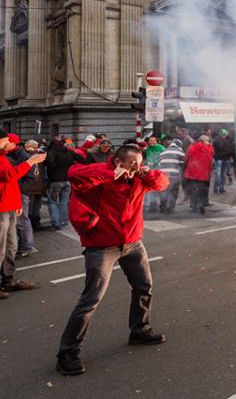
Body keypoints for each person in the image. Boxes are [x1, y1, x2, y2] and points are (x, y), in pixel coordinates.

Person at [56, 143, 168, 376]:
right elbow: (75, 175)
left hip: (133, 242)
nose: (137, 167)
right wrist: (111, 175)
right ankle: (67, 352)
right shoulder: (101, 174)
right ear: (118, 162)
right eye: (133, 163)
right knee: (91, 299)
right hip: (102, 246)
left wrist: (147, 172)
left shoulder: (138, 178)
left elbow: (161, 183)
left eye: (139, 163)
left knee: (144, 286)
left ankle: (139, 329)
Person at [0, 128, 46, 301]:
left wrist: (17, 204)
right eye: (5, 140)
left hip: (8, 207)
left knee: (10, 248)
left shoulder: (0, 157)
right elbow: (6, 177)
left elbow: (12, 183)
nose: (9, 143)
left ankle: (7, 279)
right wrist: (30, 162)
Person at [7, 135, 39, 258]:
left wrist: (20, 191)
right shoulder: (13, 155)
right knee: (17, 221)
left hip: (20, 192)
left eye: (7, 142)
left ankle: (26, 246)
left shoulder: (23, 156)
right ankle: (22, 245)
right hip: (16, 191)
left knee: (21, 220)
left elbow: (30, 177)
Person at [45, 136, 79, 230]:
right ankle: (63, 221)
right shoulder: (69, 151)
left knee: (53, 202)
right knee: (64, 201)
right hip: (67, 180)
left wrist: (52, 170)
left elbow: (51, 164)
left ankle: (56, 223)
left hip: (55, 180)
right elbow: (81, 159)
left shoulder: (51, 152)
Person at [183, 135, 214, 214]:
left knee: (194, 189)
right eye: (208, 141)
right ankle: (201, 204)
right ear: (203, 141)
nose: (209, 142)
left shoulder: (192, 147)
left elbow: (186, 158)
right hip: (203, 174)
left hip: (192, 173)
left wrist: (184, 168)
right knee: (202, 190)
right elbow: (212, 155)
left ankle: (194, 205)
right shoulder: (208, 148)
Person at [158, 138, 185, 213]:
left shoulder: (163, 151)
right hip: (173, 176)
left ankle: (163, 207)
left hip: (163, 175)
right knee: (173, 192)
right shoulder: (180, 152)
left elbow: (159, 164)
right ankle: (170, 208)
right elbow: (182, 164)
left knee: (164, 191)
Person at [143, 135, 164, 212]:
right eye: (150, 140)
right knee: (150, 188)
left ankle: (161, 205)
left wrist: (155, 162)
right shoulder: (146, 149)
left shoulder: (161, 148)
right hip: (149, 170)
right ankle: (152, 205)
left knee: (157, 188)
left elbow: (163, 157)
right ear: (148, 142)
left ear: (156, 141)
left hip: (158, 170)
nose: (152, 142)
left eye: (153, 140)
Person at [211, 129, 234, 195]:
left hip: (224, 159)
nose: (224, 135)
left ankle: (221, 188)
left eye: (225, 134)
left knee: (222, 175)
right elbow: (213, 151)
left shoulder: (227, 141)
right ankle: (216, 189)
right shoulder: (216, 142)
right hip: (219, 160)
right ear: (220, 134)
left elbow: (229, 150)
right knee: (218, 175)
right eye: (223, 134)